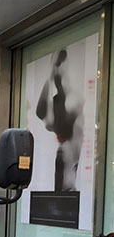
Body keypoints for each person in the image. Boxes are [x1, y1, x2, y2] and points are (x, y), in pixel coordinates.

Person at [36, 48, 84, 192]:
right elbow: (42, 113)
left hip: (72, 152)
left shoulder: (72, 97)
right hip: (65, 153)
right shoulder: (58, 98)